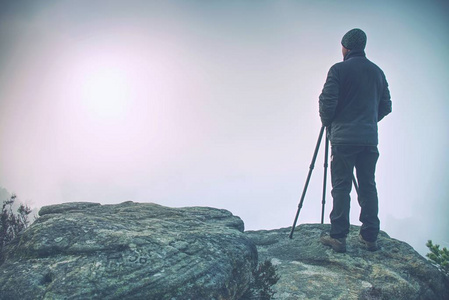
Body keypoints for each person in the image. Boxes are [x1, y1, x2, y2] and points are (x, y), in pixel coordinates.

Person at [318, 28, 392, 253]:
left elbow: (327, 102)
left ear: (345, 47)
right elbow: (386, 106)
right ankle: (370, 237)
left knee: (341, 186)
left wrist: (330, 122)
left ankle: (339, 237)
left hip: (343, 138)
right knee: (368, 186)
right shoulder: (377, 72)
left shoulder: (338, 70)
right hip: (368, 139)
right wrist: (369, 121)